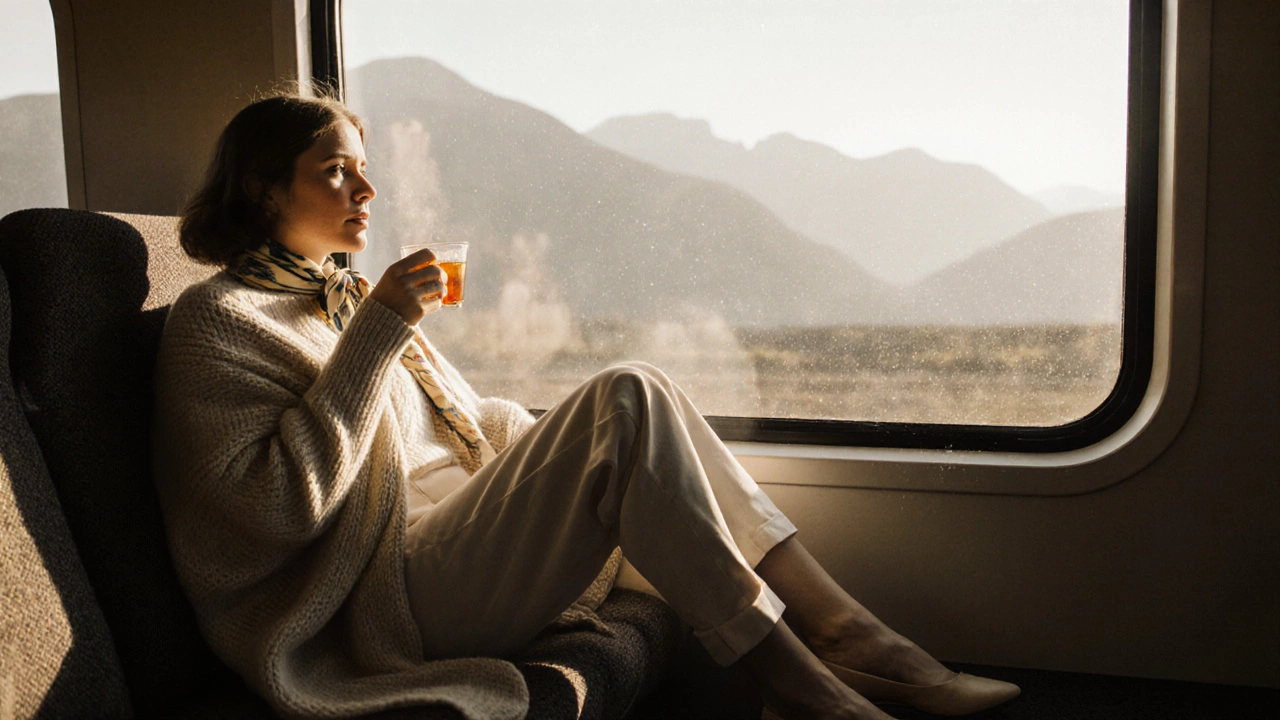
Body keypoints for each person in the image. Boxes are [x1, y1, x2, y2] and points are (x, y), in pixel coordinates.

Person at [152, 93, 1020, 720]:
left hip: (452, 536)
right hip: (392, 594)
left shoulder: (336, 299)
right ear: (266, 191)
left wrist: (565, 453)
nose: (366, 194)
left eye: (365, 172)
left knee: (646, 400)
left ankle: (847, 639)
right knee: (629, 394)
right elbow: (270, 511)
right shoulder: (219, 322)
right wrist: (380, 330)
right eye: (334, 173)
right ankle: (815, 682)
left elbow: (460, 421)